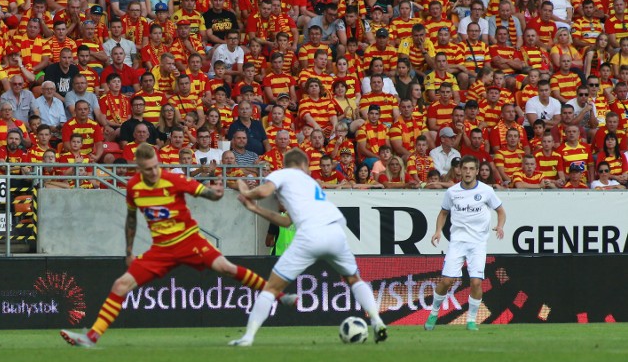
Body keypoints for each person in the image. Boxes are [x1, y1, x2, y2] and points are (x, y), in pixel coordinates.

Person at [59, 142, 293, 348]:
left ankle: (278, 295)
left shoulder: (173, 179)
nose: (153, 172)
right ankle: (91, 337)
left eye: (155, 167)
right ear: (139, 168)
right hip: (160, 250)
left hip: (190, 241)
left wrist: (218, 193)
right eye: (148, 169)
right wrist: (129, 251)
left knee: (227, 269)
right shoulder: (134, 188)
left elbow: (206, 193)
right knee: (121, 285)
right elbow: (131, 219)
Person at [228, 148, 387, 346]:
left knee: (271, 288)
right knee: (354, 279)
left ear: (287, 165)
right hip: (336, 232)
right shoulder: (311, 184)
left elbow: (263, 191)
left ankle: (248, 338)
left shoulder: (283, 173)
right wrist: (255, 209)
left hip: (311, 235)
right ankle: (377, 321)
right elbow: (286, 222)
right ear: (304, 165)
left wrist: (246, 192)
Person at [424, 155, 507, 332]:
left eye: (471, 169)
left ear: (477, 171)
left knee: (476, 282)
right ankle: (433, 313)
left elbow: (500, 211)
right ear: (459, 170)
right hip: (457, 242)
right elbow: (443, 213)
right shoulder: (452, 192)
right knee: (447, 281)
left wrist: (499, 226)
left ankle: (471, 320)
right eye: (465, 169)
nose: (468, 172)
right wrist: (438, 231)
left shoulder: (486, 191)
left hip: (478, 243)